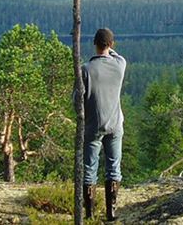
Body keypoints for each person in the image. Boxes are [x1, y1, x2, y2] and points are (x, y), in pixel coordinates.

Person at [79, 28, 126, 221]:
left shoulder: (86, 69)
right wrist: (110, 49)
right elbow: (116, 56)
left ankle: (89, 215)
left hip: (93, 126)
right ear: (111, 44)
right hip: (115, 124)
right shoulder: (120, 65)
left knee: (90, 169)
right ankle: (111, 212)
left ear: (94, 44)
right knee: (113, 168)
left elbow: (77, 100)